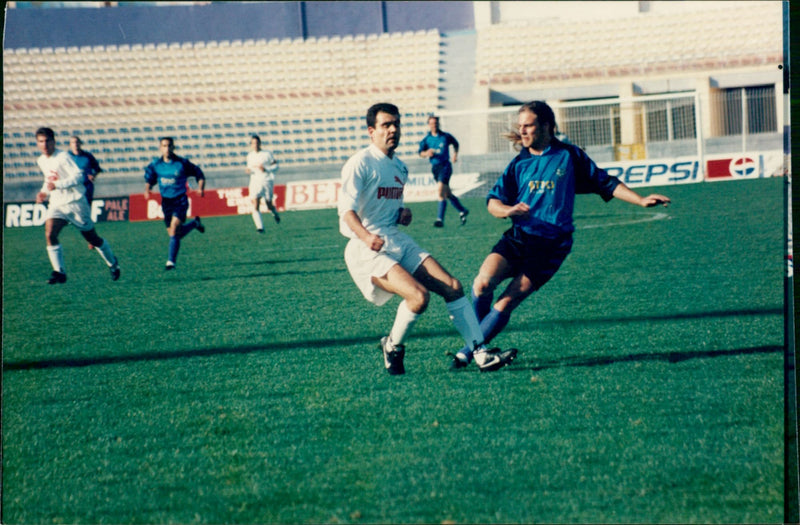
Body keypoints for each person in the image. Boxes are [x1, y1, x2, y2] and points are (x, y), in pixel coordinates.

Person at [450, 101, 671, 369]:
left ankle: (467, 352)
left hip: (551, 245)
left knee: (507, 299)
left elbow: (606, 182)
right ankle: (479, 350)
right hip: (519, 237)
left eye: (528, 126)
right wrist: (508, 210)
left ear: (546, 126)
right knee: (482, 283)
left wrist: (640, 200)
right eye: (520, 127)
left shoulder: (569, 156)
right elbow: (493, 202)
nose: (522, 132)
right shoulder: (519, 163)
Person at [338, 103, 517, 375]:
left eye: (396, 124)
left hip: (395, 239)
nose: (393, 129)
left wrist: (401, 213)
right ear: (371, 131)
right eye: (386, 125)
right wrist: (365, 235)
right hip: (366, 248)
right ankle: (393, 347)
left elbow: (384, 206)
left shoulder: (400, 166)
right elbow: (345, 212)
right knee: (419, 297)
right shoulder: (360, 163)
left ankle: (480, 353)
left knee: (453, 286)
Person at [33, 127, 120, 284]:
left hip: (76, 203)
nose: (44, 144)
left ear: (53, 141)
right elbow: (49, 180)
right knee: (50, 233)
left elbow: (79, 176)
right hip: (57, 204)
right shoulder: (41, 160)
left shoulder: (63, 156)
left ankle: (113, 263)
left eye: (47, 141)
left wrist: (58, 185)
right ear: (37, 143)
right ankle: (59, 272)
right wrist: (43, 192)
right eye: (41, 141)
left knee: (92, 239)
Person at [144, 137, 206, 271]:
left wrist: (201, 188)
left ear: (173, 147)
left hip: (180, 200)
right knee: (175, 234)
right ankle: (194, 223)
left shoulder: (182, 163)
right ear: (160, 148)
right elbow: (149, 178)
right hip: (166, 202)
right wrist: (147, 189)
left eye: (169, 146)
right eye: (164, 146)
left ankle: (171, 261)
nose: (167, 149)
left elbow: (199, 173)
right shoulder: (156, 165)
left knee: (174, 228)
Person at [418, 115, 469, 227]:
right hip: (435, 168)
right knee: (447, 193)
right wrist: (426, 153)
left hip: (445, 166)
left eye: (435, 123)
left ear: (438, 124)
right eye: (431, 123)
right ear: (429, 125)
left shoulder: (445, 136)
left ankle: (440, 219)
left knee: (440, 192)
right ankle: (462, 210)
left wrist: (455, 155)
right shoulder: (427, 139)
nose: (434, 125)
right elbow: (420, 153)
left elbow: (456, 144)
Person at [68, 135, 103, 250]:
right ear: (70, 144)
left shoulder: (87, 156)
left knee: (86, 214)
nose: (75, 144)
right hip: (72, 190)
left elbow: (97, 169)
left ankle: (91, 239)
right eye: (73, 142)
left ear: (80, 143)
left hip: (86, 189)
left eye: (77, 142)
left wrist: (93, 175)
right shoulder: (67, 157)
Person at [245, 134, 281, 232]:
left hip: (266, 180)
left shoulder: (267, 154)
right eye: (253, 143)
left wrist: (266, 169)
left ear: (260, 143)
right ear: (251, 145)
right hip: (255, 182)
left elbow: (276, 166)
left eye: (257, 143)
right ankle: (260, 227)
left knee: (268, 203)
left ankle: (274, 213)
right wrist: (248, 170)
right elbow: (249, 168)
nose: (255, 145)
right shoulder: (250, 156)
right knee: (255, 203)